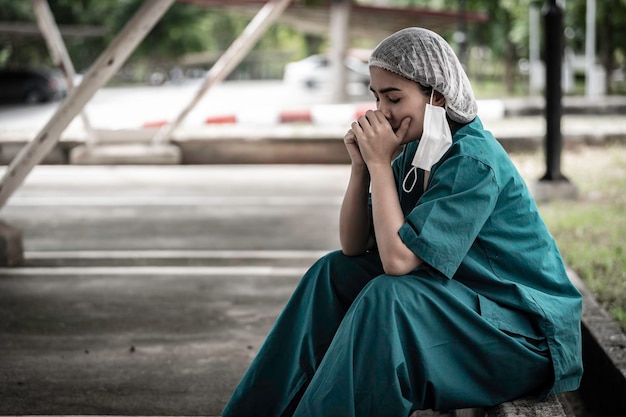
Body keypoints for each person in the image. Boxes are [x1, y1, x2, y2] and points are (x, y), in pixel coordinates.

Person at [222, 27, 583, 417]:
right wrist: (361, 168)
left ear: (437, 97)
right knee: (332, 273)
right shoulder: (415, 150)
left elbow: (397, 263)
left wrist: (379, 163)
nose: (381, 111)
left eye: (394, 97)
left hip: (522, 336)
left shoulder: (471, 160)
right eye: (376, 97)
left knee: (388, 296)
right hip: (467, 307)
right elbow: (353, 246)